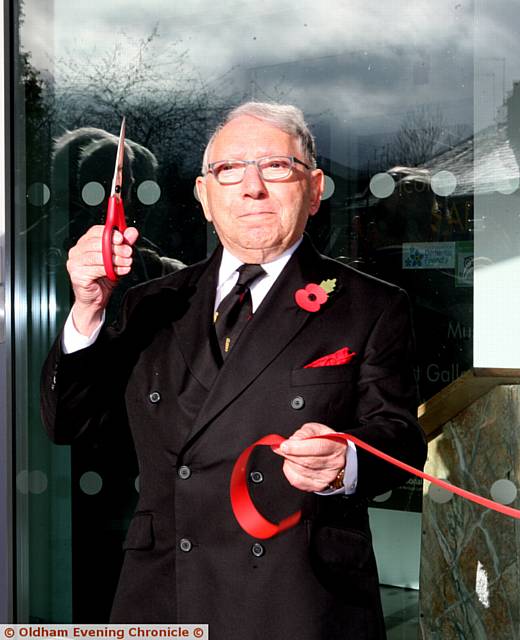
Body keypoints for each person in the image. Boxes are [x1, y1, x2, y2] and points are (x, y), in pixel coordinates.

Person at [41, 102, 427, 640]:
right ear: (204, 197)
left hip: (298, 600)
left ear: (314, 190)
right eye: (229, 170)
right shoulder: (150, 304)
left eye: (276, 166)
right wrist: (86, 310)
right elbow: (68, 425)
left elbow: (402, 439)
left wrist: (346, 462)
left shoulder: (370, 305)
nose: (252, 188)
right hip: (165, 597)